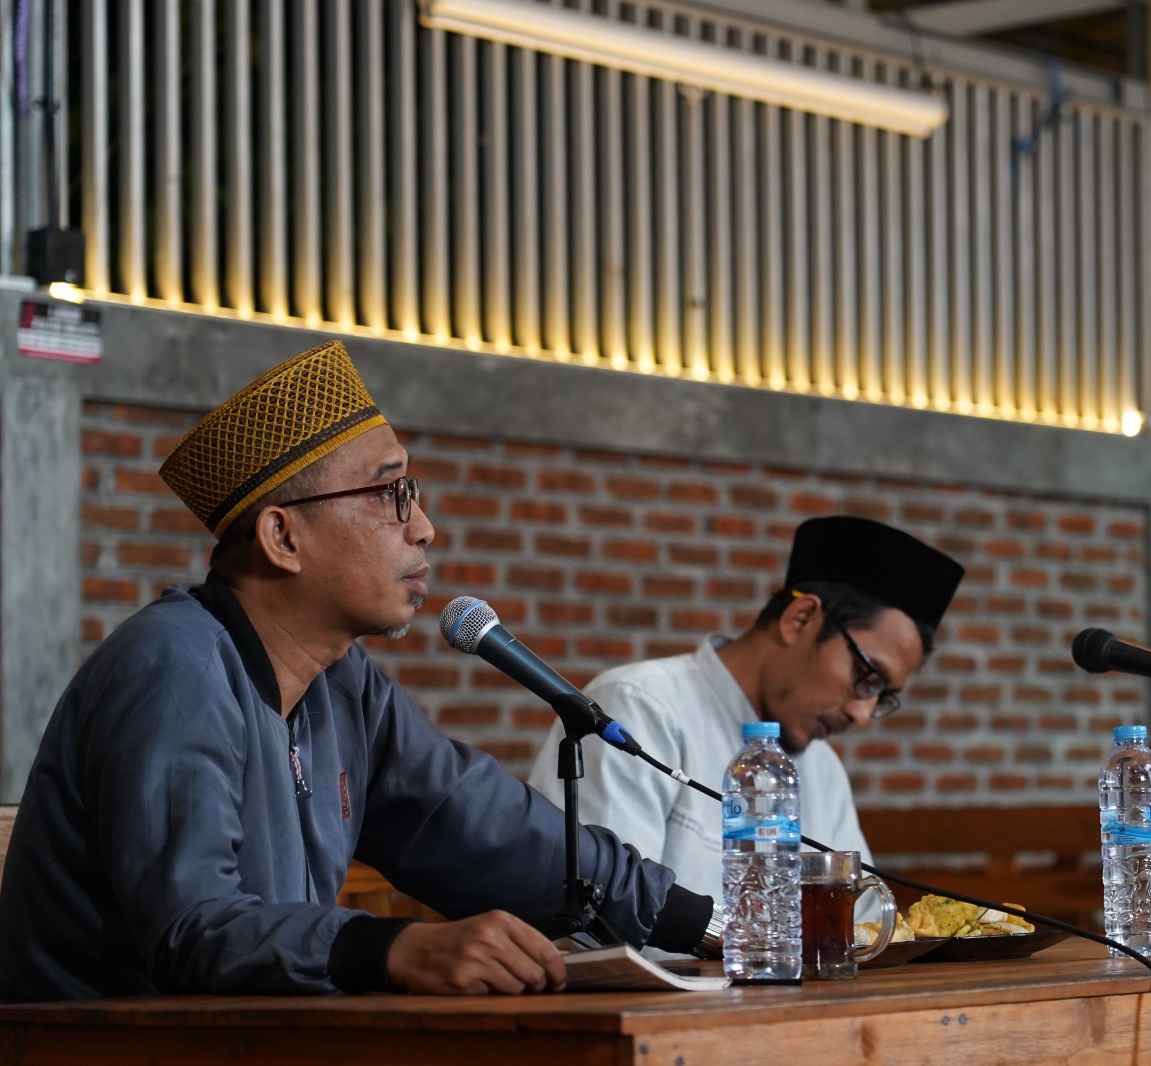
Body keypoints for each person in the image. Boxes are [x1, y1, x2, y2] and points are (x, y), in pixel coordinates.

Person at [0, 341, 713, 1002]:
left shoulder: (344, 685)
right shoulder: (173, 665)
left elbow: (489, 831)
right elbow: (194, 928)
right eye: (390, 494)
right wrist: (392, 948)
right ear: (284, 536)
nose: (424, 526)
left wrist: (709, 928)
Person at [529, 515, 964, 899]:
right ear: (800, 619)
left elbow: (863, 925)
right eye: (867, 677)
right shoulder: (638, 707)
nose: (862, 715)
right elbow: (600, 923)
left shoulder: (822, 769)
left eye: (883, 696)